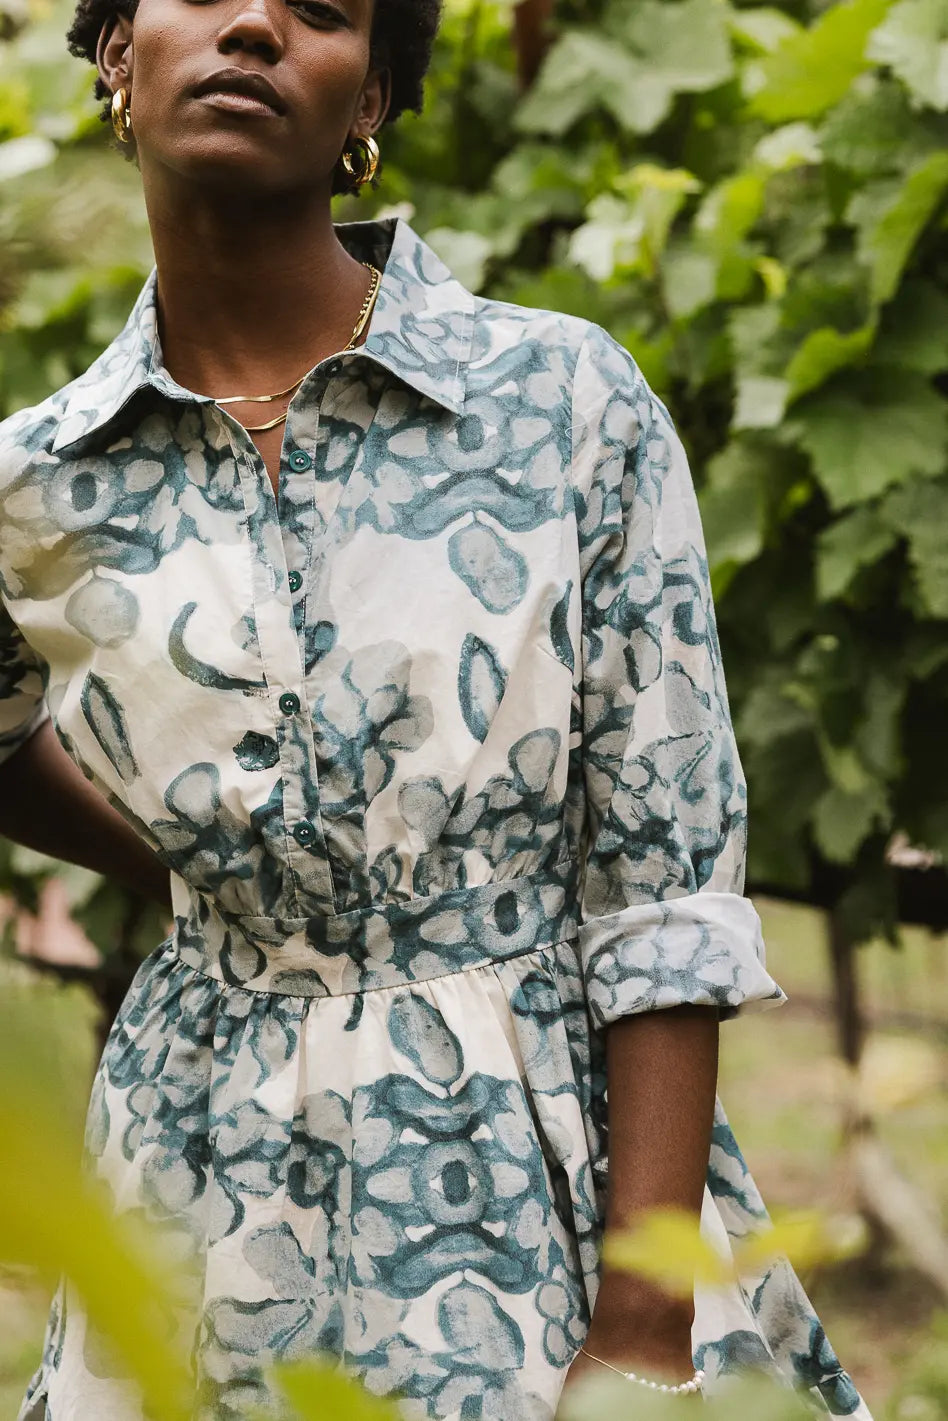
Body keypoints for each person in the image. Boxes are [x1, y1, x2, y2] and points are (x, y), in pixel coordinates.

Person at [0, 0, 873, 1416]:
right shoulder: (36, 484)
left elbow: (662, 891)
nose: (253, 29)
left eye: (323, 12)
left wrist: (646, 1323)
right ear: (115, 51)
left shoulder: (561, 402)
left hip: (528, 1153)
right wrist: (202, 864)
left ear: (373, 104)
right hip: (195, 1173)